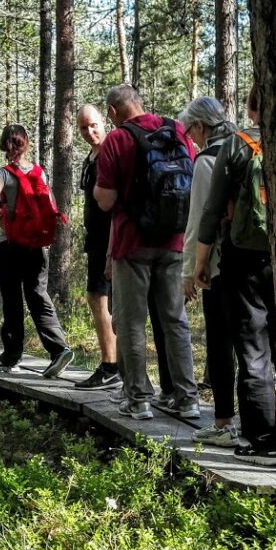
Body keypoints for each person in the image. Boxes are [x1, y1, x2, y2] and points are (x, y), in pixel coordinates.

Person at [190, 92, 276, 467]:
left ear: (249, 109)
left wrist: (200, 263)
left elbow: (212, 209)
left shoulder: (236, 145)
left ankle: (262, 440)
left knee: (253, 351)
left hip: (242, 259)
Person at [93, 84, 200, 420]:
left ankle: (138, 397)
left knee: (130, 321)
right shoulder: (177, 130)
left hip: (133, 244)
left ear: (113, 111)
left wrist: (100, 193)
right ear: (139, 102)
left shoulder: (117, 140)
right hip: (174, 242)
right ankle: (187, 397)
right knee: (175, 321)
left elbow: (106, 199)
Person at [0, 124, 75, 378]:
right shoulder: (39, 172)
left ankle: (11, 357)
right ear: (26, 144)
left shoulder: (3, 174)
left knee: (12, 300)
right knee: (38, 296)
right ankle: (59, 349)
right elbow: (52, 205)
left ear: (4, 145)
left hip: (10, 245)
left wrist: (4, 217)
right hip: (35, 247)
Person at [179, 98, 233, 441]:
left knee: (219, 342)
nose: (191, 138)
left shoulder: (207, 161)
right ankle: (263, 428)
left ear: (200, 126)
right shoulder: (247, 148)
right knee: (253, 347)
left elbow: (199, 219)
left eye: (190, 131)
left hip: (218, 264)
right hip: (257, 262)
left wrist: (190, 270)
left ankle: (225, 423)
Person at [75, 105, 122, 389]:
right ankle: (113, 365)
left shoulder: (110, 153)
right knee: (99, 300)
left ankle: (111, 366)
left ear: (103, 121)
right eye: (83, 127)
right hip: (95, 239)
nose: (89, 132)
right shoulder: (90, 158)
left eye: (93, 125)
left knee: (100, 299)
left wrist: (111, 248)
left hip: (111, 240)